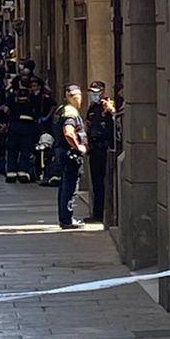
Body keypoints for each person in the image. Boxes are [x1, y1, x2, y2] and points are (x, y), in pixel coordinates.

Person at [54, 85, 89, 229]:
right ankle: (67, 219)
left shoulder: (61, 109)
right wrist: (78, 146)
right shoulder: (70, 112)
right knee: (70, 187)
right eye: (75, 96)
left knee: (64, 186)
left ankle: (64, 218)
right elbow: (68, 132)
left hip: (61, 151)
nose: (78, 99)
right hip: (69, 154)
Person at [85, 82, 119, 226]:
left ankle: (109, 212)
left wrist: (111, 111)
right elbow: (88, 126)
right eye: (92, 92)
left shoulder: (110, 106)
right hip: (94, 149)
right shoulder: (92, 109)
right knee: (96, 182)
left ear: (103, 91)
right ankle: (97, 213)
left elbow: (118, 122)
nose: (94, 94)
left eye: (97, 92)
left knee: (106, 182)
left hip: (106, 149)